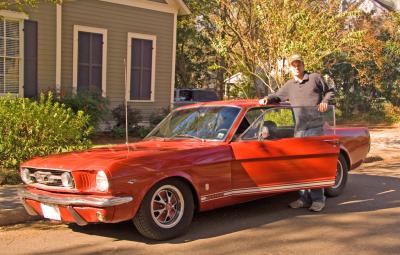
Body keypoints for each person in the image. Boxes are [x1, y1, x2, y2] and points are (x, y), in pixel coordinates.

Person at [259, 53, 335, 212]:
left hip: (315, 127)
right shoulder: (289, 85)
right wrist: (267, 98)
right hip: (299, 129)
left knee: (313, 165)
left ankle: (318, 200)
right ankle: (303, 198)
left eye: (299, 64)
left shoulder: (315, 78)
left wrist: (325, 101)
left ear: (303, 65)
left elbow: (330, 91)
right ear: (289, 68)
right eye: (293, 65)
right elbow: (278, 96)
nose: (296, 67)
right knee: (299, 165)